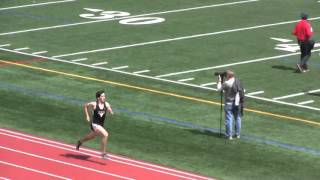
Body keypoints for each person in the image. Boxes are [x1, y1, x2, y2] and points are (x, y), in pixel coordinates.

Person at [76, 90, 114, 159]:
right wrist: (87, 116)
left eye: (104, 96)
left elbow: (109, 108)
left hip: (100, 125)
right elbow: (85, 106)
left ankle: (80, 142)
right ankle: (103, 153)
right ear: (98, 98)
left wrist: (110, 111)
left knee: (91, 137)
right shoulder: (94, 104)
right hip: (95, 124)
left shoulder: (107, 104)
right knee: (106, 134)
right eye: (102, 96)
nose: (104, 97)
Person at [217, 70, 244, 140]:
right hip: (237, 103)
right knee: (238, 118)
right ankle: (237, 134)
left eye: (225, 75)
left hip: (229, 103)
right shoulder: (238, 81)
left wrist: (220, 81)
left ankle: (229, 135)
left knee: (229, 119)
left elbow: (219, 89)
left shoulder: (226, 83)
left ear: (228, 76)